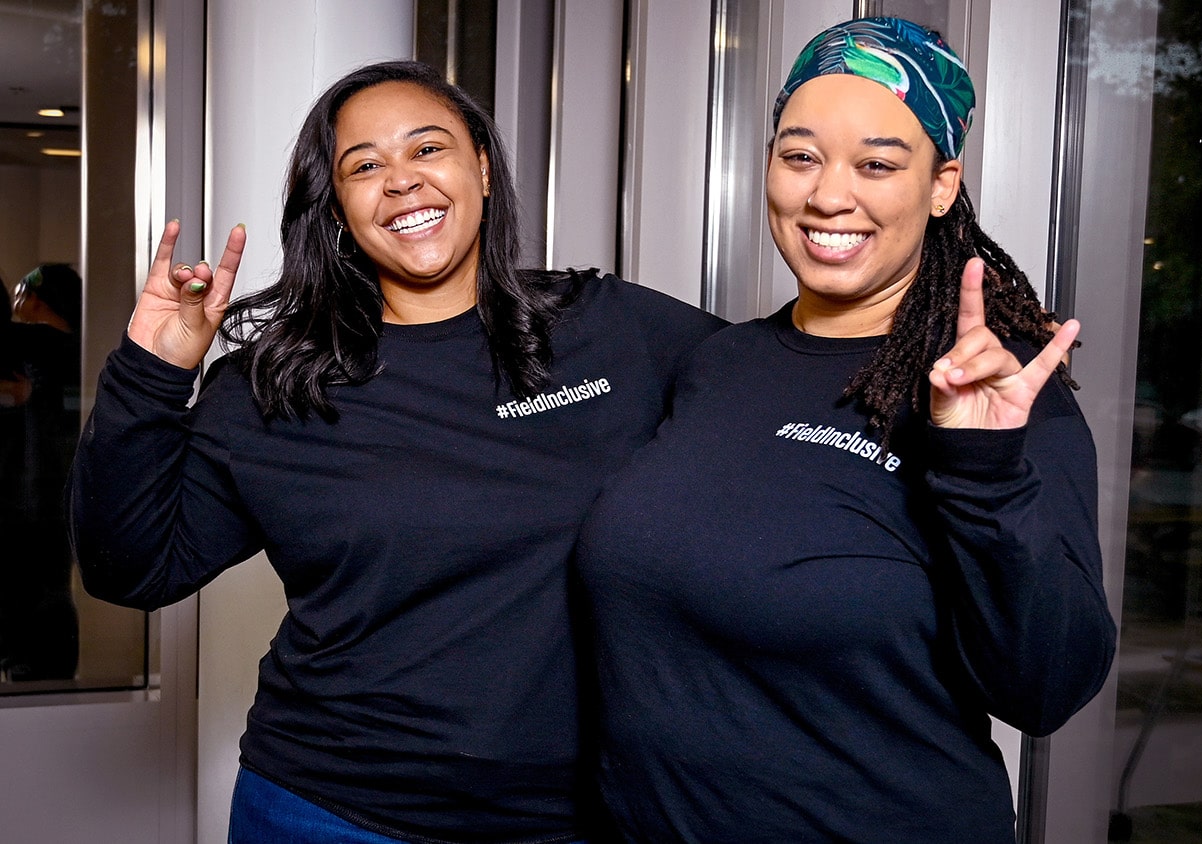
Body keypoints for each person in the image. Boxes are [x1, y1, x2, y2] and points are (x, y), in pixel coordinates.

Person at [68, 60, 723, 843]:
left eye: (427, 148)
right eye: (364, 166)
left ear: (483, 167)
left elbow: (781, 395)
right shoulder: (275, 385)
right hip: (331, 812)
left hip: (578, 817)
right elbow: (132, 569)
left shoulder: (611, 330)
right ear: (337, 207)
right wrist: (152, 370)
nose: (403, 180)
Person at [575, 17, 1116, 842]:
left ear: (941, 185)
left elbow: (1046, 690)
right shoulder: (718, 363)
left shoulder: (991, 392)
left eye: (877, 164)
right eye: (800, 156)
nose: (829, 195)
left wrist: (983, 468)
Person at [2, 264, 83, 682]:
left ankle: (38, 668)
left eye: (21, 292)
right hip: (57, 491)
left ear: (36, 298)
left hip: (37, 492)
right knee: (49, 584)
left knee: (37, 586)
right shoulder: (79, 347)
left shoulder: (39, 344)